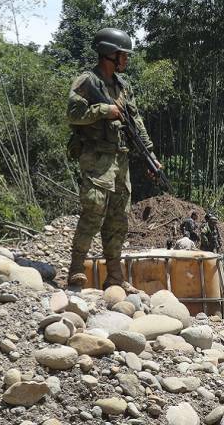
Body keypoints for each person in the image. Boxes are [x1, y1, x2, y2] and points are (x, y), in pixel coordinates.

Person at [66, 27, 160, 291]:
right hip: (96, 157)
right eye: (123, 55)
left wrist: (149, 153)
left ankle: (115, 277)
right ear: (110, 54)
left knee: (119, 218)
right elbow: (73, 113)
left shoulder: (122, 86)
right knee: (93, 211)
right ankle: (76, 269)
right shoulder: (87, 81)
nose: (126, 60)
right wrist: (103, 110)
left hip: (121, 158)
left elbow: (135, 120)